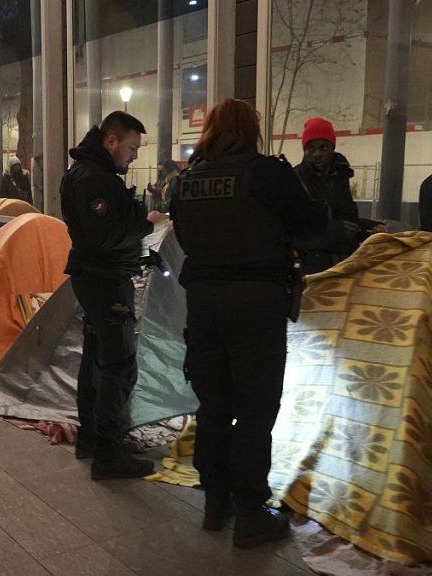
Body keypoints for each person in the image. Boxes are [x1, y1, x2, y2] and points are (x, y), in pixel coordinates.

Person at [169, 99, 328, 549]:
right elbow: (313, 226)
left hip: (202, 305)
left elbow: (183, 237)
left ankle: (216, 503)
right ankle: (252, 511)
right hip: (256, 305)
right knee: (256, 410)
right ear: (251, 130)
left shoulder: (187, 181)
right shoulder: (267, 173)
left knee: (214, 407)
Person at [60, 110, 169, 480]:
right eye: (132, 147)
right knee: (119, 365)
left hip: (96, 278)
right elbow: (105, 237)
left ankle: (91, 439)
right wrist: (145, 224)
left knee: (96, 359)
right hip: (106, 281)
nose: (135, 155)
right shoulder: (97, 180)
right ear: (111, 141)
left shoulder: (85, 173)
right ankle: (109, 453)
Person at [293, 118, 386, 274]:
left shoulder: (339, 178)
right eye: (311, 148)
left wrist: (368, 228)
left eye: (323, 147)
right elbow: (294, 228)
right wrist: (336, 232)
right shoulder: (296, 180)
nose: (317, 154)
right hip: (312, 267)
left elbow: (345, 219)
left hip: (339, 262)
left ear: (332, 148)